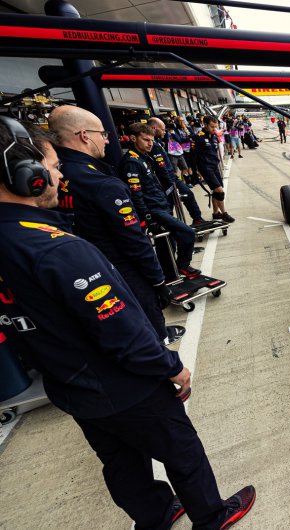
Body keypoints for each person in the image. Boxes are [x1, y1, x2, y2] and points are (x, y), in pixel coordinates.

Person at [0, 117, 256, 530]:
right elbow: (120, 330)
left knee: (120, 460)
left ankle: (156, 515)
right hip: (122, 385)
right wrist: (171, 367)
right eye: (52, 166)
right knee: (180, 448)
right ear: (24, 174)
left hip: (66, 383)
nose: (60, 175)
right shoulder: (55, 248)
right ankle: (211, 516)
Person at [48, 106, 175, 344]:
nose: (107, 140)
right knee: (151, 334)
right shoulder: (101, 181)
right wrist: (158, 281)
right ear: (85, 135)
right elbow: (133, 240)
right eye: (103, 134)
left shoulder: (53, 174)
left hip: (76, 272)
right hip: (121, 271)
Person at [120, 123, 202, 279]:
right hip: (153, 210)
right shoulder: (131, 162)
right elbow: (135, 194)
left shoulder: (145, 157)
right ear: (133, 138)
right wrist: (147, 216)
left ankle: (169, 273)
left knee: (167, 241)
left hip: (160, 204)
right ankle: (183, 266)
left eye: (151, 140)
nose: (150, 143)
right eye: (146, 140)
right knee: (187, 233)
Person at [148, 117, 206, 226]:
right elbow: (159, 168)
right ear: (154, 128)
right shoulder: (152, 145)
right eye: (163, 129)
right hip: (165, 181)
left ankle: (197, 219)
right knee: (168, 206)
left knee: (188, 194)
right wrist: (170, 183)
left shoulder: (158, 141)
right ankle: (167, 227)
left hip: (171, 177)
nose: (165, 131)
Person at [192, 116, 235, 223]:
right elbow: (193, 156)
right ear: (205, 125)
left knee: (216, 191)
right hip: (205, 168)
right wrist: (195, 171)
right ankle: (224, 213)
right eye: (212, 126)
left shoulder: (215, 137)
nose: (214, 129)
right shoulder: (198, 137)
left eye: (216, 126)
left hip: (215, 166)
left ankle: (216, 213)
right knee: (220, 191)